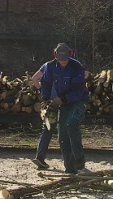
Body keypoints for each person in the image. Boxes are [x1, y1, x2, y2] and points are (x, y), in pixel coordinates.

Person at [30, 42, 89, 174]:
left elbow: (78, 90)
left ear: (70, 54)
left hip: (77, 101)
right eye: (60, 59)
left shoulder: (76, 67)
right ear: (55, 55)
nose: (63, 62)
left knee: (71, 124)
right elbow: (45, 83)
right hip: (62, 103)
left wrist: (62, 99)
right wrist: (46, 99)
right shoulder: (50, 66)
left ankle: (79, 159)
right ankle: (70, 167)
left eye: (65, 59)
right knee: (62, 135)